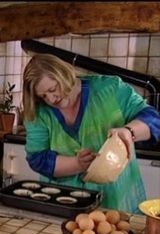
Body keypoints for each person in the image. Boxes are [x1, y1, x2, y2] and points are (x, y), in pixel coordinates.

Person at [22, 53, 160, 214]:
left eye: (53, 89)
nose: (51, 99)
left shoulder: (111, 89)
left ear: (65, 75)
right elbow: (37, 159)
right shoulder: (39, 113)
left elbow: (154, 120)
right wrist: (77, 164)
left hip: (118, 201)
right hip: (66, 204)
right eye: (43, 96)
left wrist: (129, 132)